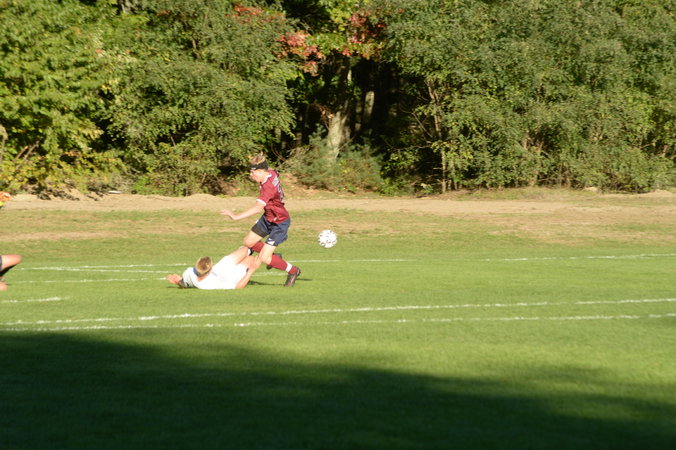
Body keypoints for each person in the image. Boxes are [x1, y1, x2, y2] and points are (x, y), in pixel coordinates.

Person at [220, 154, 301, 287]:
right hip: (268, 218)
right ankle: (274, 256)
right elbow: (276, 172)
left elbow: (258, 208)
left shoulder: (267, 188)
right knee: (248, 242)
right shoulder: (271, 173)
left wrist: (235, 216)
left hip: (279, 223)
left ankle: (293, 271)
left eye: (253, 172)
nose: (251, 175)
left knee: (264, 258)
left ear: (261, 171)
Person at [167, 246, 259, 290]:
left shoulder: (189, 272)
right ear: (209, 270)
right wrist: (251, 270)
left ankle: (258, 247)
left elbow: (186, 282)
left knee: (244, 249)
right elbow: (238, 287)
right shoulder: (210, 285)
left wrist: (179, 281)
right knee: (250, 259)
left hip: (219, 268)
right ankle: (265, 253)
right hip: (230, 277)